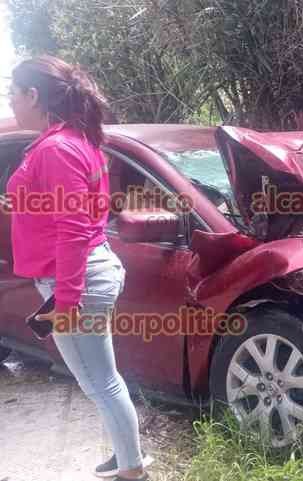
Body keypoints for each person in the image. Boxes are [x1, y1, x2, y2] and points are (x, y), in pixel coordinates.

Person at [7, 55, 151, 481]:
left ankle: (132, 470)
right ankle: (127, 454)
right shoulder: (68, 141)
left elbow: (71, 229)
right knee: (97, 379)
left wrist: (66, 300)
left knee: (100, 382)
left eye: (13, 93)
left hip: (76, 277)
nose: (11, 102)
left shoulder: (57, 148)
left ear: (33, 95)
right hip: (80, 272)